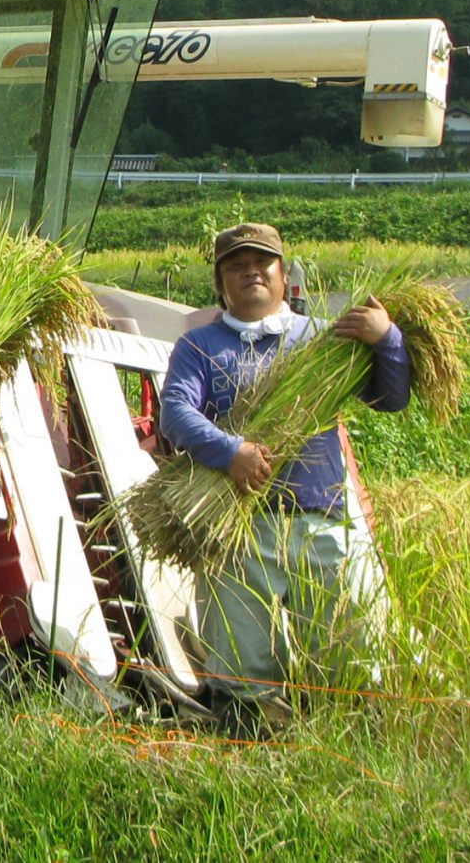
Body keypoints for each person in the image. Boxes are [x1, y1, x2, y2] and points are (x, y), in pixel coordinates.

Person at [158, 222, 411, 734]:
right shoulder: (200, 346)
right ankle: (255, 742)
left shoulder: (323, 339)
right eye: (236, 264)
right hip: (239, 526)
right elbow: (175, 413)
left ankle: (354, 734)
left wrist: (387, 339)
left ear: (283, 273)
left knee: (352, 640)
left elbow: (392, 399)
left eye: (262, 262)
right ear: (220, 281)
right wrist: (232, 452)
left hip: (322, 515)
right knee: (241, 653)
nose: (250, 271)